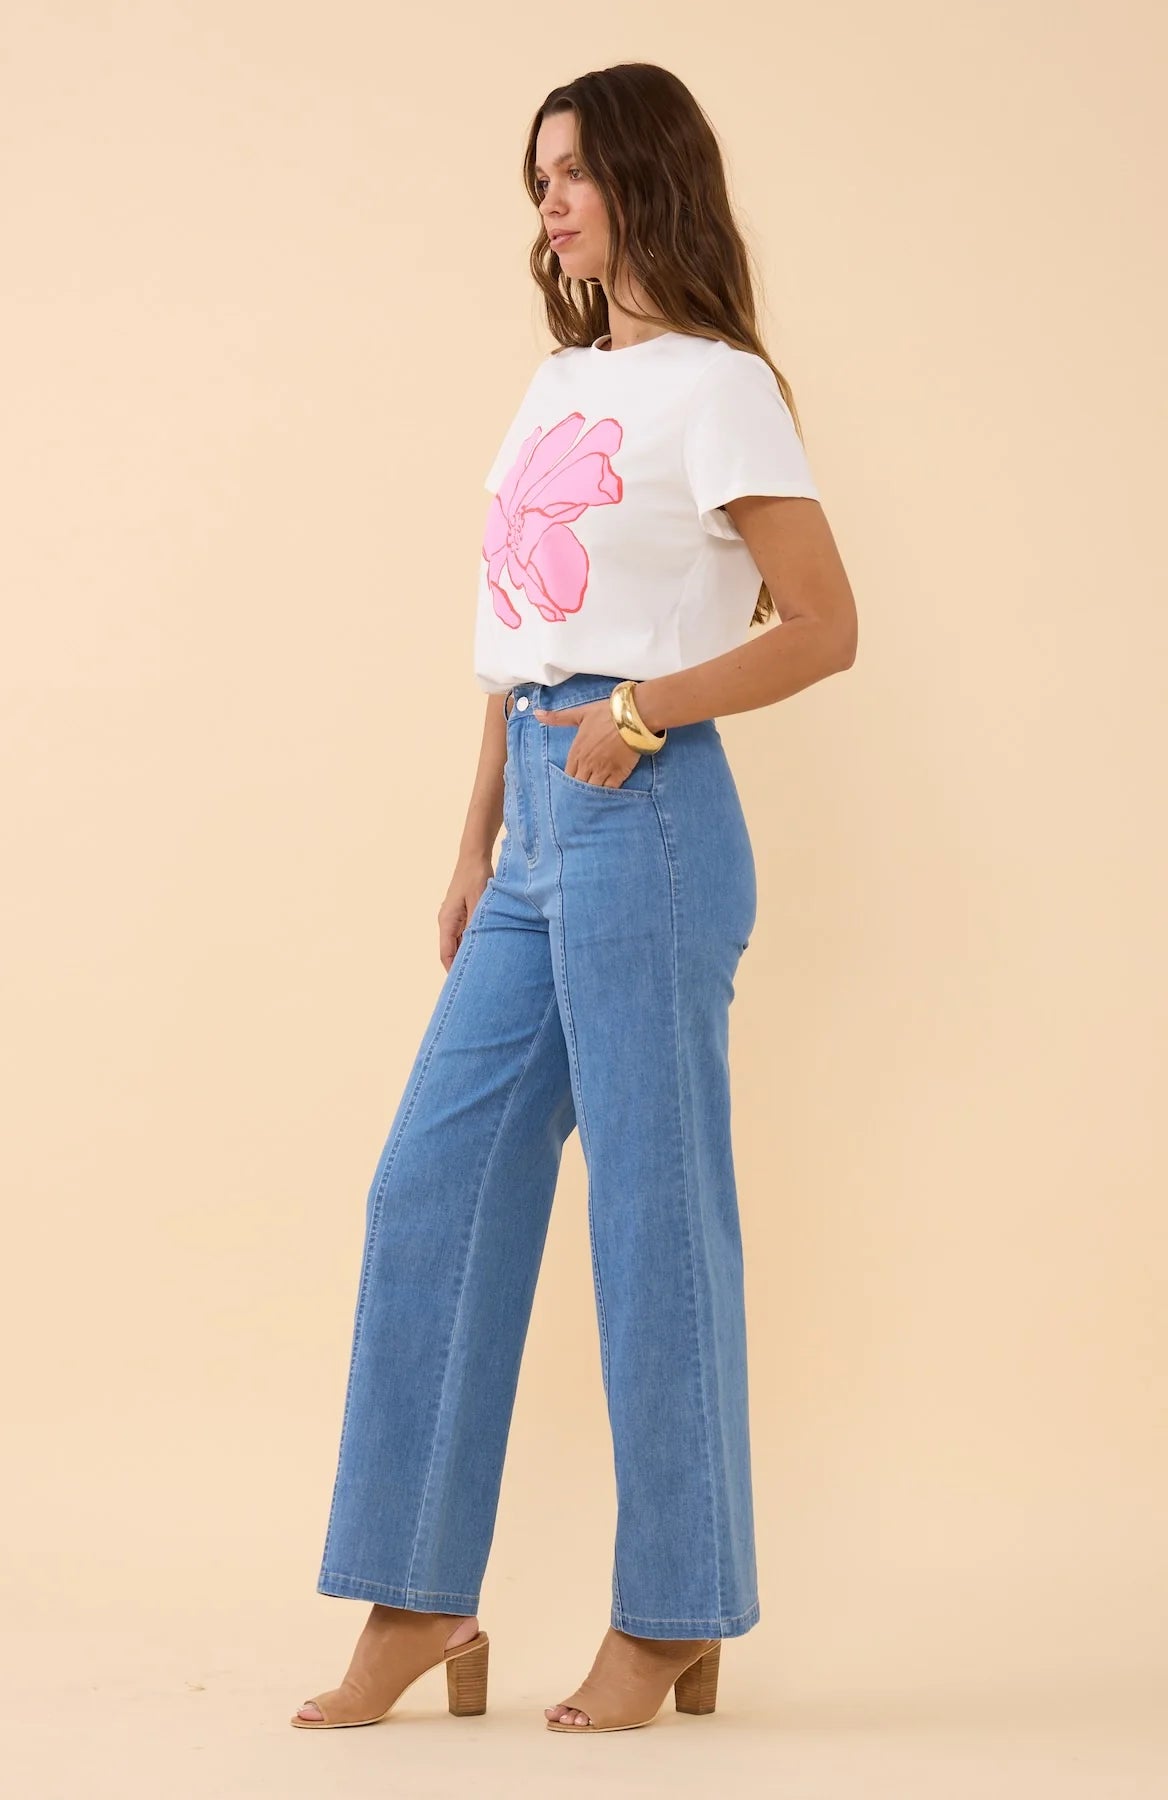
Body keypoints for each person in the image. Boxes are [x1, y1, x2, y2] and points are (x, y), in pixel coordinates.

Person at [292, 60, 857, 1737]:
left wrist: (638, 716)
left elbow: (822, 626)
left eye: (578, 172)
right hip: (541, 819)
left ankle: (675, 1609)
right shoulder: (555, 388)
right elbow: (512, 633)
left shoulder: (722, 390)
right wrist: (477, 836)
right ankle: (420, 1593)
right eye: (538, 174)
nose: (550, 200)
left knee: (652, 1218)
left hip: (652, 810)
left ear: (647, 181)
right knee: (432, 1189)